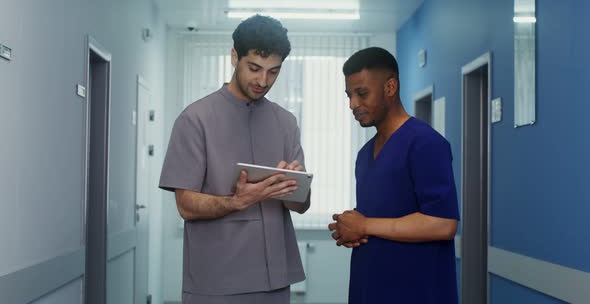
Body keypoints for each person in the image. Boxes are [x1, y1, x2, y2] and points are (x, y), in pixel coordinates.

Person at [159, 15, 310, 304]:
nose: (263, 81)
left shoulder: (285, 122)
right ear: (234, 57)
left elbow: (301, 205)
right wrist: (235, 201)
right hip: (215, 280)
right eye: (254, 68)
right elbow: (185, 205)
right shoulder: (195, 119)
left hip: (275, 280)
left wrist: (292, 186)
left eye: (273, 72)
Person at [328, 47, 460, 304]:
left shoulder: (426, 143)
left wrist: (365, 225)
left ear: (390, 87)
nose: (353, 104)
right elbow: (380, 215)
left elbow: (443, 223)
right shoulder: (365, 155)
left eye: (362, 93)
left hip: (417, 292)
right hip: (370, 288)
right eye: (349, 95)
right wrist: (350, 228)